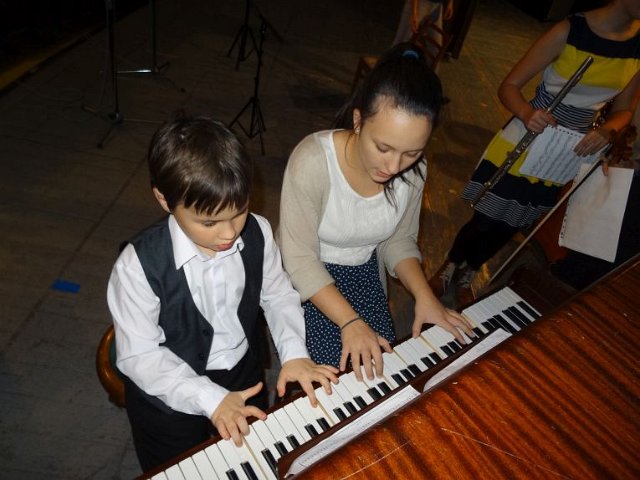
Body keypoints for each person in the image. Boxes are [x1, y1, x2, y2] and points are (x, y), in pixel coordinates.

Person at [106, 113, 338, 472]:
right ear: (164, 200)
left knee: (253, 463)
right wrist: (209, 398)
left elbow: (277, 295)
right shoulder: (137, 266)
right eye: (209, 222)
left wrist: (294, 353)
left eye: (240, 211)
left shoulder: (258, 231)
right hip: (169, 395)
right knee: (180, 470)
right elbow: (139, 355)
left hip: (242, 375)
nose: (229, 233)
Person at [277, 43, 474, 384]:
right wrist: (350, 322)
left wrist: (425, 297)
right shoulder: (312, 161)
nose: (395, 166)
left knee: (381, 375)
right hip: (307, 281)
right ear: (357, 120)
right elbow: (298, 258)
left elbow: (399, 240)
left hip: (365, 275)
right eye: (383, 147)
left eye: (412, 152)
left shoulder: (415, 170)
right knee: (332, 383)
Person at [429, 0, 640, 307]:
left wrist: (608, 130)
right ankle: (450, 264)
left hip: (567, 151)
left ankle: (469, 270)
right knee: (486, 216)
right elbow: (509, 86)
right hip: (528, 136)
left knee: (513, 223)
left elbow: (624, 110)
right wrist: (528, 113)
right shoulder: (570, 29)